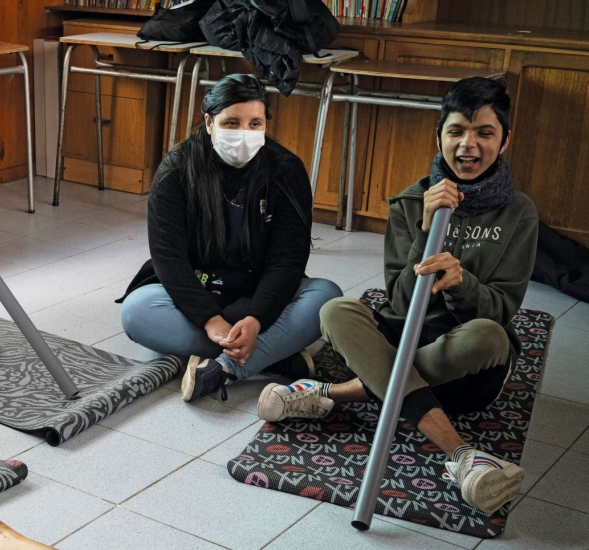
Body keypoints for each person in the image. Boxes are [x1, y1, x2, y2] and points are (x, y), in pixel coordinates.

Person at [257, 77, 536, 514]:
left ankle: (335, 393)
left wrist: (463, 284)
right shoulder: (410, 202)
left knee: (490, 336)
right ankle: (464, 456)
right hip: (402, 335)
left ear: (505, 141)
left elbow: (503, 310)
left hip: (464, 367)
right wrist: (426, 231)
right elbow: (402, 304)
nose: (468, 145)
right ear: (439, 134)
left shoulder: (519, 212)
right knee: (336, 310)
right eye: (456, 131)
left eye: (485, 133)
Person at [118, 74, 343, 403]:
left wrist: (256, 319)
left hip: (259, 295)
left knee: (327, 298)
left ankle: (225, 366)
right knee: (136, 312)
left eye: (255, 124)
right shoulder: (176, 171)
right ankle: (275, 354)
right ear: (209, 123)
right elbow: (169, 258)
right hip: (198, 293)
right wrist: (210, 320)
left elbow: (288, 260)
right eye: (232, 122)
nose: (244, 134)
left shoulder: (286, 170)